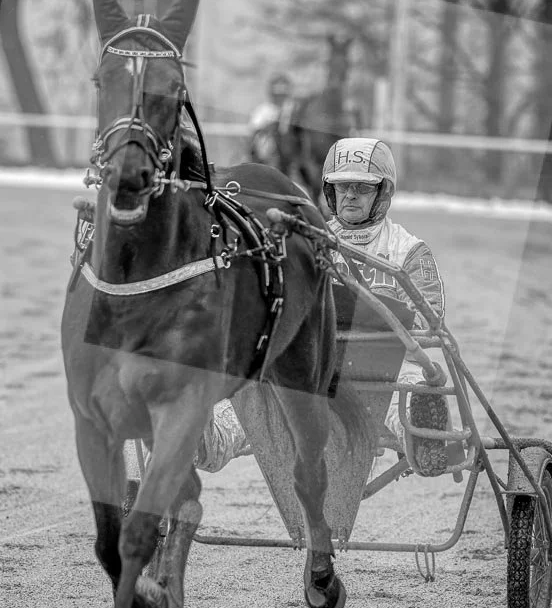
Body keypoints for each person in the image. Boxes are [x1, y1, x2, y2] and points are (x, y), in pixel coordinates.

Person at [193, 137, 452, 476]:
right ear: (329, 191)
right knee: (245, 397)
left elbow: (430, 322)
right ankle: (203, 434)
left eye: (362, 187)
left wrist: (376, 319)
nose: (350, 196)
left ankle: (423, 439)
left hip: (385, 367)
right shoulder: (305, 242)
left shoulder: (410, 250)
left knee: (410, 392)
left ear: (383, 193)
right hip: (308, 364)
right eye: (341, 187)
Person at [247, 73, 295, 165]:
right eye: (277, 94)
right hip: (269, 152)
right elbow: (254, 130)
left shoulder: (293, 109)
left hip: (290, 153)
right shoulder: (263, 110)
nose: (280, 97)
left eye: (282, 94)